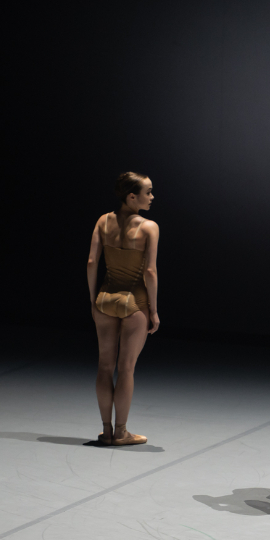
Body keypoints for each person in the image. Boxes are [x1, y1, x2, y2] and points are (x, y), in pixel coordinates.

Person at [86, 172, 160, 445]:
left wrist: (93, 300)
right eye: (147, 192)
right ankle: (121, 432)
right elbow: (150, 272)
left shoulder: (103, 221)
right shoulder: (149, 227)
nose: (152, 197)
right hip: (134, 301)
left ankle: (106, 430)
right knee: (126, 368)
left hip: (105, 298)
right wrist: (153, 310)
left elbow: (92, 263)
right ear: (132, 197)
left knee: (105, 366)